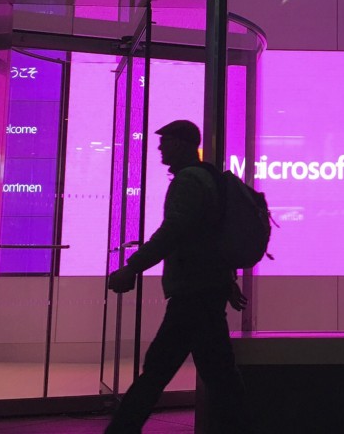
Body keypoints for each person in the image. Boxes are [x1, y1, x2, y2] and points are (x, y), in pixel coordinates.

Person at [105, 120, 251, 434]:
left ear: (182, 144)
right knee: (219, 374)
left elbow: (174, 232)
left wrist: (132, 267)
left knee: (159, 369)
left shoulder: (189, 180)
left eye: (165, 141)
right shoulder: (209, 177)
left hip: (193, 293)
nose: (159, 147)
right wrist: (225, 282)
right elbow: (209, 238)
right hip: (205, 290)